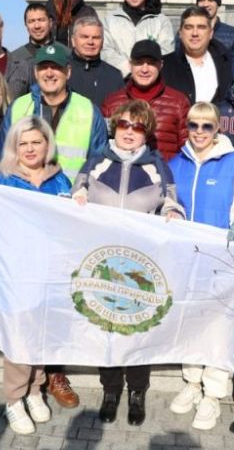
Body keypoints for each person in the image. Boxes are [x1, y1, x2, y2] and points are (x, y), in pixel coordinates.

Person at [71, 100, 185, 426]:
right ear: (115, 127)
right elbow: (76, 192)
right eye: (124, 125)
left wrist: (173, 213)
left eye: (137, 127)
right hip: (102, 262)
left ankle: (137, 391)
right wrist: (77, 197)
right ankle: (110, 390)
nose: (130, 132)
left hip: (140, 264)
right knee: (107, 325)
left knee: (137, 329)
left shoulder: (158, 167)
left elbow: (170, 203)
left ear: (146, 132)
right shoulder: (95, 163)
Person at [0, 117, 73, 434]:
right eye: (23, 143)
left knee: (40, 333)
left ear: (47, 145)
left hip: (49, 273)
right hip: (15, 273)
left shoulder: (60, 181)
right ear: (14, 147)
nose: (29, 149)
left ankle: (36, 388)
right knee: (18, 336)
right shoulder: (2, 182)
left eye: (36, 142)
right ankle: (14, 399)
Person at [167, 102, 234, 431]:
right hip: (188, 257)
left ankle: (213, 393)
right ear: (186, 127)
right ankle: (191, 380)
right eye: (194, 125)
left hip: (222, 257)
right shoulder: (177, 163)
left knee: (218, 322)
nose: (200, 132)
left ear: (218, 128)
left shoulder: (233, 163)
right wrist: (171, 211)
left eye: (207, 126)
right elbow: (170, 200)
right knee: (190, 319)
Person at [1, 42, 108, 183]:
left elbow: (98, 164)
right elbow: (5, 157)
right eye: (43, 67)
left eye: (56, 67)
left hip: (72, 199)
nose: (49, 73)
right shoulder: (18, 107)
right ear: (35, 72)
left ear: (68, 72)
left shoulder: (88, 110)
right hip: (26, 195)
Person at [101, 40, 189, 161]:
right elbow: (103, 147)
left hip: (164, 176)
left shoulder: (179, 102)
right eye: (139, 63)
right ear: (130, 64)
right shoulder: (112, 102)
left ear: (161, 65)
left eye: (151, 63)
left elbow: (187, 150)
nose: (144, 69)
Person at [102, 0, 175, 76]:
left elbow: (166, 51)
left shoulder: (161, 21)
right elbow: (105, 51)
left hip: (150, 79)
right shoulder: (109, 21)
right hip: (119, 80)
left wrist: (143, 68)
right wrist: (128, 67)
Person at [162, 6, 232, 105]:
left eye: (201, 27)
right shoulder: (165, 66)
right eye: (189, 27)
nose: (195, 33)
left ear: (211, 33)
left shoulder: (228, 62)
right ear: (180, 33)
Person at [67, 16, 124, 108]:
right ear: (73, 40)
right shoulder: (61, 71)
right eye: (84, 37)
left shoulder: (114, 76)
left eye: (96, 38)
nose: (90, 42)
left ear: (102, 41)